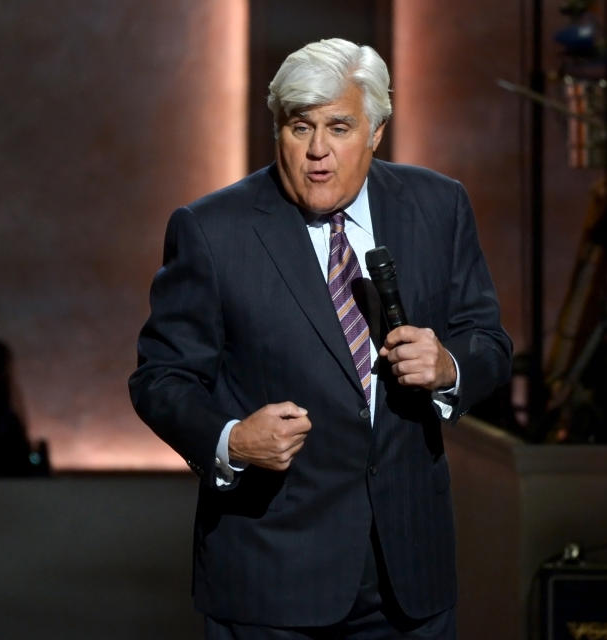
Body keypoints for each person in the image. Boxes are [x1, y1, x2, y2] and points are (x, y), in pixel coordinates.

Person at [129, 37, 512, 639]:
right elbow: (161, 379)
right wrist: (231, 440)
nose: (317, 152)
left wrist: (449, 368)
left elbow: (488, 340)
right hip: (273, 577)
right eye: (299, 127)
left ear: (377, 130)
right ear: (277, 128)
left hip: (410, 578)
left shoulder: (439, 206)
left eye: (339, 127)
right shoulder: (211, 229)